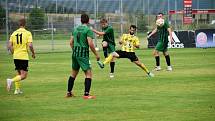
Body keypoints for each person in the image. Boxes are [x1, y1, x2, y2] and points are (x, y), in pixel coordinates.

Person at [66, 13, 100, 99]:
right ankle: (86, 94)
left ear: (81, 20)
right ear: (88, 21)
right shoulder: (87, 30)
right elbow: (90, 44)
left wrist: (75, 50)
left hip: (75, 54)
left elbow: (71, 43)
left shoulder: (75, 29)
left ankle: (69, 92)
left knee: (73, 73)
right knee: (89, 74)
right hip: (83, 54)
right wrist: (96, 54)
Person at [7, 18, 36, 94]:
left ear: (19, 24)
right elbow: (30, 45)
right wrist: (33, 53)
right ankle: (11, 80)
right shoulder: (27, 33)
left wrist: (13, 52)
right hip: (23, 56)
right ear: (25, 24)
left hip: (16, 56)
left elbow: (9, 45)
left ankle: (17, 90)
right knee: (24, 75)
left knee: (19, 74)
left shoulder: (14, 33)